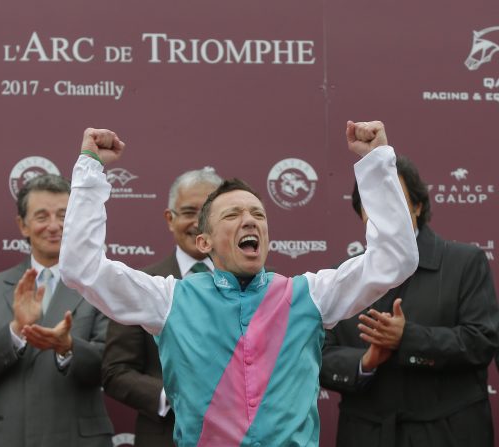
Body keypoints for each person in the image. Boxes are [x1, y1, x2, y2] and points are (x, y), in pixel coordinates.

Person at [53, 121, 419, 446]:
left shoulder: (309, 295)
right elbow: (80, 267)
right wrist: (90, 169)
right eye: (232, 214)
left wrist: (376, 165)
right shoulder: (169, 299)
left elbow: (395, 259)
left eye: (258, 214)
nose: (249, 220)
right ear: (204, 242)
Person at [320, 156, 499, 447]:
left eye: (393, 200)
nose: (381, 211)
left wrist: (408, 337)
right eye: (371, 203)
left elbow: (482, 341)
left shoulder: (464, 263)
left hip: (448, 434)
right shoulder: (343, 277)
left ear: (417, 206)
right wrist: (364, 362)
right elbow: (318, 356)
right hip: (365, 435)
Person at [0, 174, 113, 447]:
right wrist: (15, 332)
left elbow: (113, 366)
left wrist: (67, 347)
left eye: (63, 215)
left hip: (77, 439)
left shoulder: (99, 285)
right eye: (42, 216)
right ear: (23, 225)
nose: (54, 226)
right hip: (9, 438)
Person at [102, 167, 222, 447]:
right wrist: (174, 395)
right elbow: (116, 371)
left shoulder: (259, 284)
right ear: (170, 219)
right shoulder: (141, 285)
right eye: (190, 211)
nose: (199, 222)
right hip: (164, 437)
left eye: (209, 212)